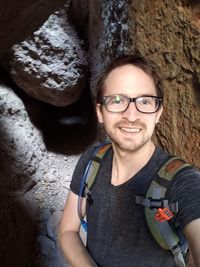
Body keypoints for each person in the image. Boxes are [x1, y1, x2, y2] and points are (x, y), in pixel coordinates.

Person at [58, 55, 200, 267]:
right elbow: (68, 230)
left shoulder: (183, 183)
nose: (131, 115)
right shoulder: (91, 161)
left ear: (158, 113)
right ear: (100, 112)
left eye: (144, 101)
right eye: (117, 100)